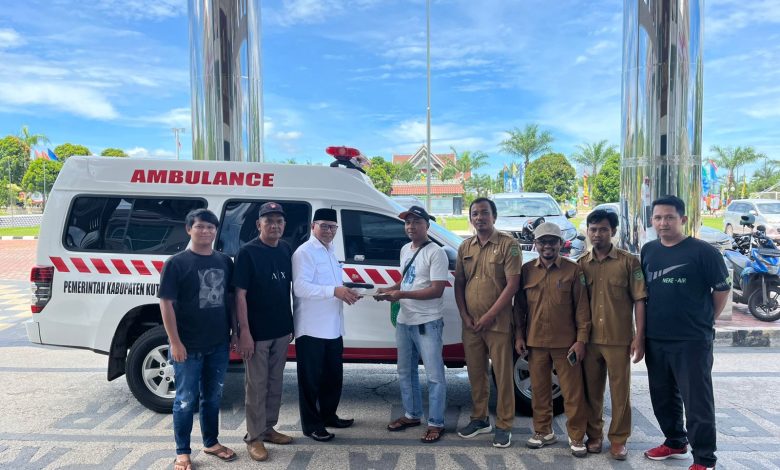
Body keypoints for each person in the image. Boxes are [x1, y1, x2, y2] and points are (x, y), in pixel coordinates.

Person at [641, 195, 730, 470]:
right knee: (662, 396)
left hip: (692, 340)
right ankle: (675, 442)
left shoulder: (703, 252)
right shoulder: (649, 251)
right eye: (658, 218)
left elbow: (722, 289)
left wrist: (706, 320)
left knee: (697, 401)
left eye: (669, 217)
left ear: (683, 219)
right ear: (652, 220)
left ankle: (704, 458)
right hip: (656, 338)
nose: (663, 223)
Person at [158, 208, 237, 470]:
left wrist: (235, 332)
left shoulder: (224, 261)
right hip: (188, 346)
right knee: (184, 400)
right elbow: (166, 304)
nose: (206, 231)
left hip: (218, 343)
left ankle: (211, 442)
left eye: (210, 227)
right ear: (188, 229)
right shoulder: (176, 263)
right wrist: (175, 342)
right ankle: (182, 452)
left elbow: (230, 299)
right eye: (200, 226)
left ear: (216, 231)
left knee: (213, 397)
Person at [515, 222, 591, 458]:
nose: (547, 246)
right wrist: (519, 335)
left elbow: (582, 308)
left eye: (552, 241)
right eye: (542, 241)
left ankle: (576, 436)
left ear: (560, 244)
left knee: (572, 393)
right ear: (535, 244)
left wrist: (581, 340)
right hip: (535, 342)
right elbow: (520, 308)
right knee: (539, 391)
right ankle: (543, 432)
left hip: (565, 344)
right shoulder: (527, 270)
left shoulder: (573, 270)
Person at [578, 209, 648, 460]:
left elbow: (640, 300)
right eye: (593, 229)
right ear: (588, 231)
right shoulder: (581, 264)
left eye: (603, 229)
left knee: (620, 394)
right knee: (591, 393)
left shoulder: (628, 262)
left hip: (619, 339)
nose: (597, 234)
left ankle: (618, 439)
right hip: (590, 340)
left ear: (613, 232)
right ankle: (594, 435)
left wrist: (639, 337)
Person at [376, 205, 449, 443]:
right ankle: (412, 414)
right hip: (404, 320)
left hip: (427, 322)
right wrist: (389, 290)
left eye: (417, 222)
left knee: (434, 375)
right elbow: (406, 280)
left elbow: (437, 290)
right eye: (408, 222)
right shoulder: (405, 249)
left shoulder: (436, 252)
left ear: (427, 225)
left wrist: (402, 295)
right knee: (405, 371)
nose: (411, 226)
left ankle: (436, 422)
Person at [454, 197, 521, 448]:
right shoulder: (465, 247)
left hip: (498, 323)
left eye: (484, 213)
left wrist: (489, 316)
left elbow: (512, 285)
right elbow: (459, 283)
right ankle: (480, 419)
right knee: (476, 374)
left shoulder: (508, 245)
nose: (479, 217)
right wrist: (464, 315)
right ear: (470, 218)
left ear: (494, 216)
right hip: (471, 325)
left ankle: (504, 425)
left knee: (502, 376)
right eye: (475, 213)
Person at [292, 208, 361, 442]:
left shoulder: (331, 251)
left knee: (333, 377)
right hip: (311, 328)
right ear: (313, 226)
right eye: (324, 226)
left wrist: (346, 292)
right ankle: (312, 425)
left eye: (333, 227)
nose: (329, 231)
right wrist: (334, 291)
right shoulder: (304, 252)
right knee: (310, 381)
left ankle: (328, 415)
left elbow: (333, 285)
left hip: (333, 326)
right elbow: (300, 287)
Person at [234, 202, 295, 461]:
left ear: (284, 225)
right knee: (256, 386)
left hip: (281, 329)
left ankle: (268, 428)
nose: (274, 226)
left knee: (275, 382)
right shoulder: (247, 252)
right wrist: (244, 332)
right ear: (259, 224)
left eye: (279, 221)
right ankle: (254, 437)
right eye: (269, 221)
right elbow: (239, 295)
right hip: (257, 333)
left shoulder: (285, 249)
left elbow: (289, 288)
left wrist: (291, 325)